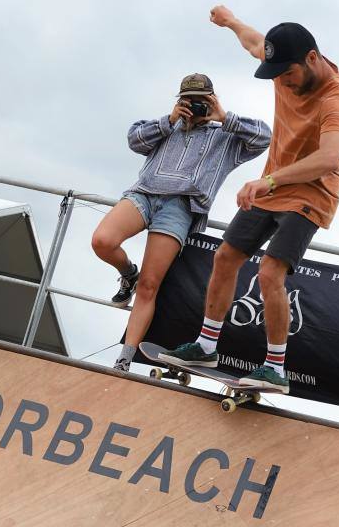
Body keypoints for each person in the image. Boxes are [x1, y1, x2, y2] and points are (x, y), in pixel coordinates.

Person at [158, 6, 339, 394]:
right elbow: (253, 42)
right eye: (276, 73)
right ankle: (205, 347)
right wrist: (230, 21)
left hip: (311, 193)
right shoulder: (284, 64)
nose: (282, 81)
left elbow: (330, 158)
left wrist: (269, 179)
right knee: (225, 257)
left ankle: (275, 369)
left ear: (311, 59)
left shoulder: (337, 99)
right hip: (272, 188)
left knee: (269, 272)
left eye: (287, 73)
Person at [91, 73, 271, 371]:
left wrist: (224, 117)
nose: (194, 107)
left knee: (150, 285)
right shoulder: (167, 126)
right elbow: (134, 139)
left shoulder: (224, 137)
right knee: (102, 241)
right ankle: (128, 273)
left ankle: (123, 360)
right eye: (188, 100)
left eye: (201, 101)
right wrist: (170, 119)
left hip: (181, 207)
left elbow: (264, 137)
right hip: (144, 194)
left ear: (212, 100)